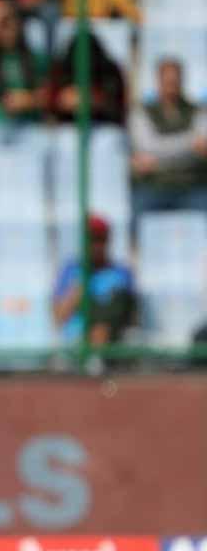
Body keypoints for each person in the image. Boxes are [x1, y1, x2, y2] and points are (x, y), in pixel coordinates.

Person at [129, 58, 207, 218]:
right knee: (136, 219)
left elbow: (202, 146)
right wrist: (190, 144)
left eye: (175, 81)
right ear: (158, 81)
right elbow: (147, 146)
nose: (171, 85)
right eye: (167, 81)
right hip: (153, 186)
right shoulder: (141, 112)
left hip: (192, 186)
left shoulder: (198, 111)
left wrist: (156, 160)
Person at [52, 213, 136, 346]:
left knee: (101, 329)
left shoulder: (121, 273)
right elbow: (59, 318)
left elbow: (130, 319)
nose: (95, 246)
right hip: (75, 346)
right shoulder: (71, 271)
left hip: (109, 346)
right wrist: (80, 286)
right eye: (91, 240)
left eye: (100, 239)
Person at [44, 30, 127, 125]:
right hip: (65, 128)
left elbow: (116, 103)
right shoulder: (60, 70)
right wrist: (63, 99)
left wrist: (91, 98)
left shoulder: (109, 72)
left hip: (103, 126)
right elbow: (50, 101)